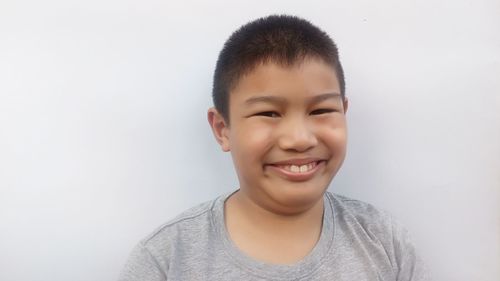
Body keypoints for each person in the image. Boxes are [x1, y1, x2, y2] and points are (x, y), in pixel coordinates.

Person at [118, 15, 427, 280]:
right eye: (268, 113)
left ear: (344, 113)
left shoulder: (384, 243)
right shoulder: (167, 260)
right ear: (222, 129)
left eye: (320, 111)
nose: (299, 139)